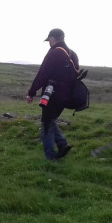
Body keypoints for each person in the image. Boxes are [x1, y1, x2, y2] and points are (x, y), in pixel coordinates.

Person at [26, 28, 79, 160]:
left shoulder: (54, 53)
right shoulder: (73, 54)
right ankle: (62, 145)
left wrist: (31, 92)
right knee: (50, 120)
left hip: (52, 95)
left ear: (54, 38)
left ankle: (50, 158)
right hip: (66, 96)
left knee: (46, 124)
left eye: (50, 39)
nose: (49, 42)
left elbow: (43, 74)